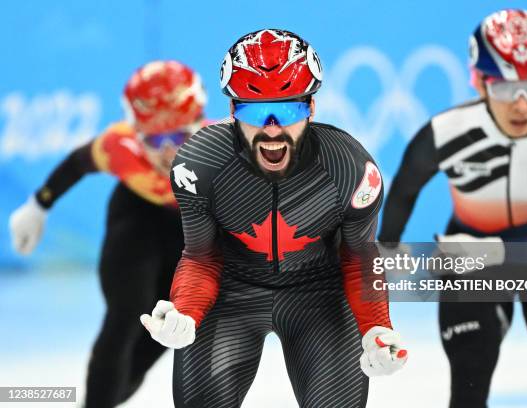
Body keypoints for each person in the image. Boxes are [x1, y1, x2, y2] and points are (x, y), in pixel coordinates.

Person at [140, 29, 408, 408]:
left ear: (311, 108)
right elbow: (202, 256)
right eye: (253, 110)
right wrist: (186, 308)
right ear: (232, 111)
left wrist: (376, 326)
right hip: (233, 294)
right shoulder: (199, 165)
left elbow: (359, 256)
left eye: (288, 109)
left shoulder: (349, 168)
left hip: (318, 295)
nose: (271, 128)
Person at [378, 10, 527, 408]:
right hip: (470, 258)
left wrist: (493, 252)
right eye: (505, 88)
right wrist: (388, 245)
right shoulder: (445, 132)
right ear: (478, 81)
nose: (521, 104)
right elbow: (405, 188)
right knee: (470, 370)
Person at [9, 60, 210, 408]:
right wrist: (38, 206)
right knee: (126, 314)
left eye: (179, 136)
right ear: (136, 133)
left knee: (161, 331)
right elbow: (76, 164)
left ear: (198, 125)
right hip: (136, 220)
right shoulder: (120, 145)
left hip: (186, 233)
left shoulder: (223, 150)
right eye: (154, 138)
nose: (166, 150)